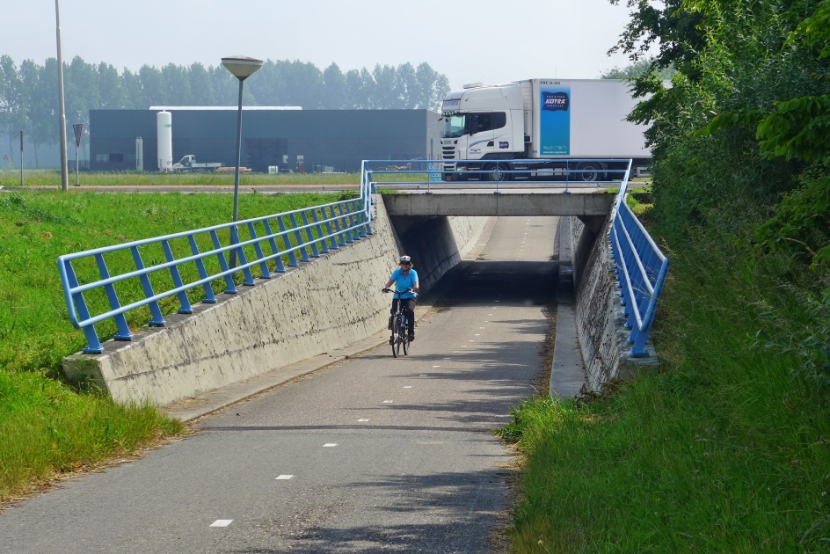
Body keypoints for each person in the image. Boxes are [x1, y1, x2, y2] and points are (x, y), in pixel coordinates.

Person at [382, 255, 419, 342]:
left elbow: (415, 283)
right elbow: (390, 282)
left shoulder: (413, 273)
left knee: (410, 310)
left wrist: (416, 289)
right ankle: (393, 334)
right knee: (393, 312)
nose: (404, 265)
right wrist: (386, 287)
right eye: (403, 263)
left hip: (410, 296)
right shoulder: (397, 272)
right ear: (400, 264)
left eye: (406, 263)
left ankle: (411, 333)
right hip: (398, 296)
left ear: (409, 264)